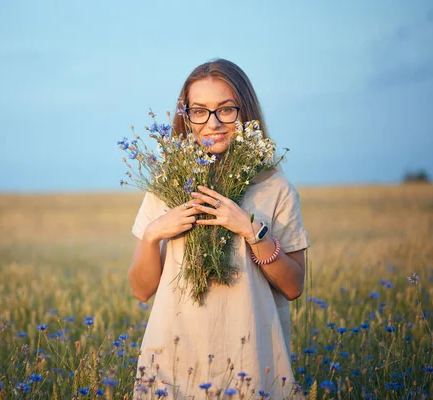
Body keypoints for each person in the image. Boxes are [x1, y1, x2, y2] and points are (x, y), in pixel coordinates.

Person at [128, 58, 310, 399]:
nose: (212, 123)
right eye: (199, 111)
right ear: (186, 116)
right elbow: (140, 290)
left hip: (251, 360)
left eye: (226, 110)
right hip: (173, 361)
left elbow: (294, 286)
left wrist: (252, 231)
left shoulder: (274, 188)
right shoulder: (167, 187)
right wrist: (153, 235)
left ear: (246, 113)